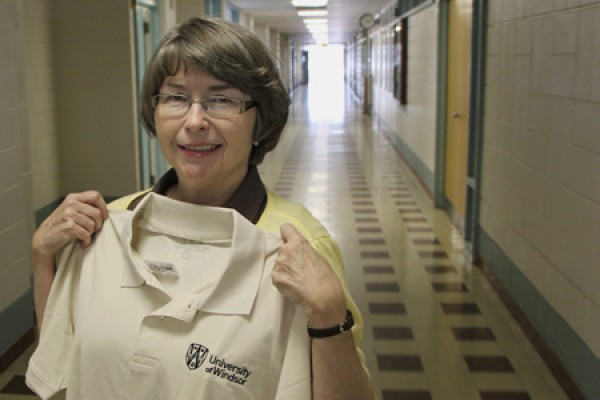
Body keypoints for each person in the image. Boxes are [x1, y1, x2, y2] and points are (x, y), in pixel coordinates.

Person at [28, 16, 375, 400]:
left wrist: (329, 313)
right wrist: (44, 259)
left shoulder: (296, 244)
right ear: (154, 111)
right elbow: (62, 362)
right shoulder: (107, 223)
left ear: (259, 121)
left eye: (221, 99)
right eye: (176, 97)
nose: (195, 121)